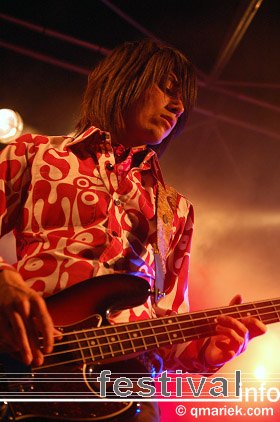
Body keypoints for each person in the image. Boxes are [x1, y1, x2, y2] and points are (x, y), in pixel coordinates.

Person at [0, 39, 266, 421]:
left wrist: (208, 350)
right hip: (23, 365)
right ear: (124, 80)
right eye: (168, 90)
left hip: (124, 391)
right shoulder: (35, 154)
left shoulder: (176, 209)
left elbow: (166, 323)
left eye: (183, 100)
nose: (178, 107)